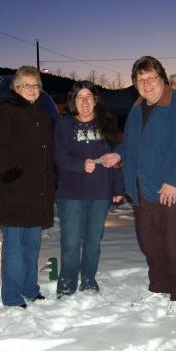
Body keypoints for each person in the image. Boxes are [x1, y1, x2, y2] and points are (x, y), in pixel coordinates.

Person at [101, 55, 176, 315]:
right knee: (151, 243)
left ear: (163, 78)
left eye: (151, 78)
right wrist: (119, 154)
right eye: (140, 79)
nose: (146, 84)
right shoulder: (138, 108)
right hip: (144, 189)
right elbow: (132, 143)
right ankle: (159, 288)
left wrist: (174, 181)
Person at [0, 66, 56, 308]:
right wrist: (12, 174)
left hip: (36, 194)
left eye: (36, 84)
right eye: (26, 85)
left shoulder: (42, 112)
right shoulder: (6, 111)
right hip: (14, 194)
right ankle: (13, 296)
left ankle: (30, 289)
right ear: (16, 88)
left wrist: (52, 177)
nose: (31, 89)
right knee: (14, 249)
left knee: (32, 246)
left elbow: (48, 151)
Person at [54, 81, 124, 298]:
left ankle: (89, 280)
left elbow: (116, 157)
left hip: (100, 193)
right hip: (71, 193)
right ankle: (66, 282)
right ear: (73, 101)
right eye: (79, 97)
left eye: (88, 97)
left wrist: (117, 186)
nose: (84, 101)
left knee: (93, 242)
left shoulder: (106, 124)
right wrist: (80, 165)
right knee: (71, 242)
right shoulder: (64, 124)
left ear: (95, 100)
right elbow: (58, 156)